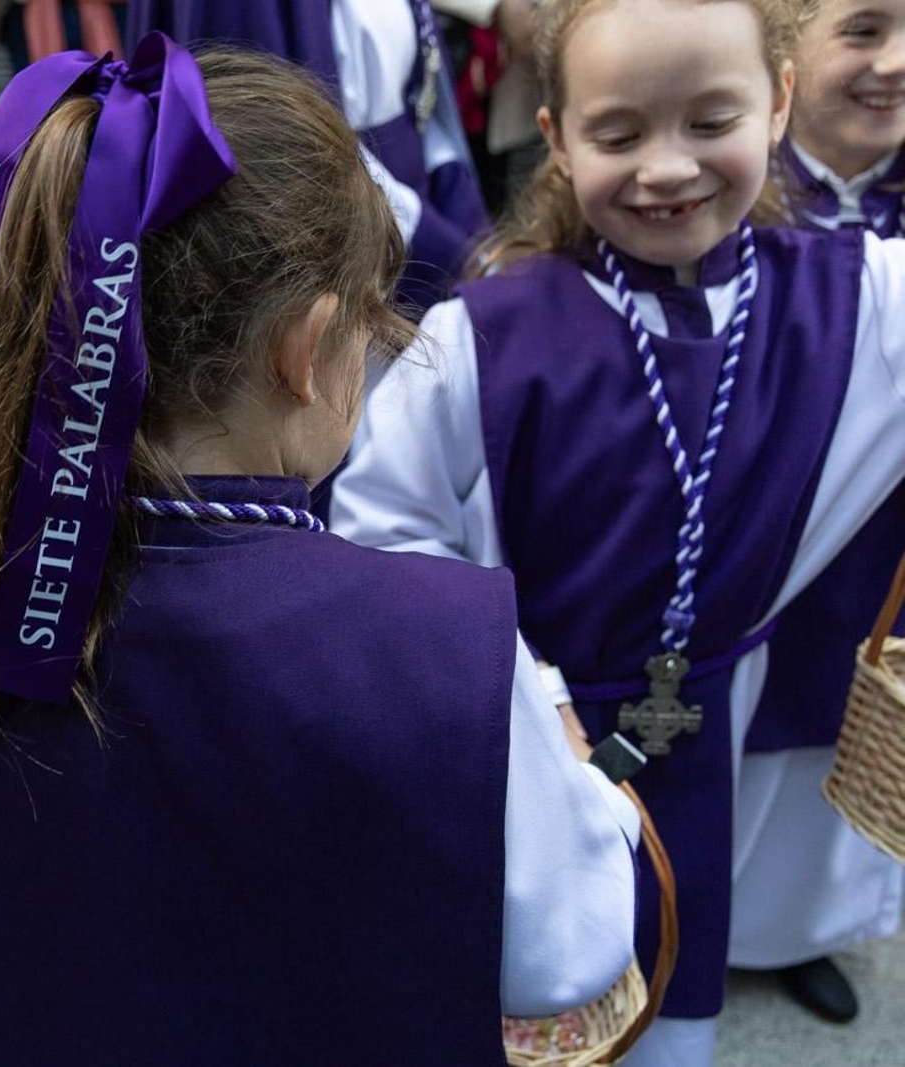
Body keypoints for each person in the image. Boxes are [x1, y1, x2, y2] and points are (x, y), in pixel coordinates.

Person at [0, 36, 640, 1064]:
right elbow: (565, 953)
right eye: (370, 326)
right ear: (304, 346)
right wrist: (590, 792)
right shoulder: (441, 643)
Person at [330, 0, 905, 1059]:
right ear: (556, 136)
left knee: (668, 1016)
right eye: (619, 132)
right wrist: (526, 692)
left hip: (709, 730)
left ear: (778, 103)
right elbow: (385, 540)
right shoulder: (479, 341)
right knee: (527, 1009)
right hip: (532, 746)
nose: (667, 168)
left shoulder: (862, 303)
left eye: (710, 121)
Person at [727, 0, 905, 1024]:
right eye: (863, 31)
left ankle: (797, 929)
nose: (894, 63)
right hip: (757, 529)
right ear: (787, 53)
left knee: (838, 731)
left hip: (879, 550)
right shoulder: (731, 187)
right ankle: (697, 913)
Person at [127, 0, 491, 312]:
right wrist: (436, 247)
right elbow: (269, 146)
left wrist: (461, 213)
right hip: (349, 242)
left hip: (417, 215)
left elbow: (422, 95)